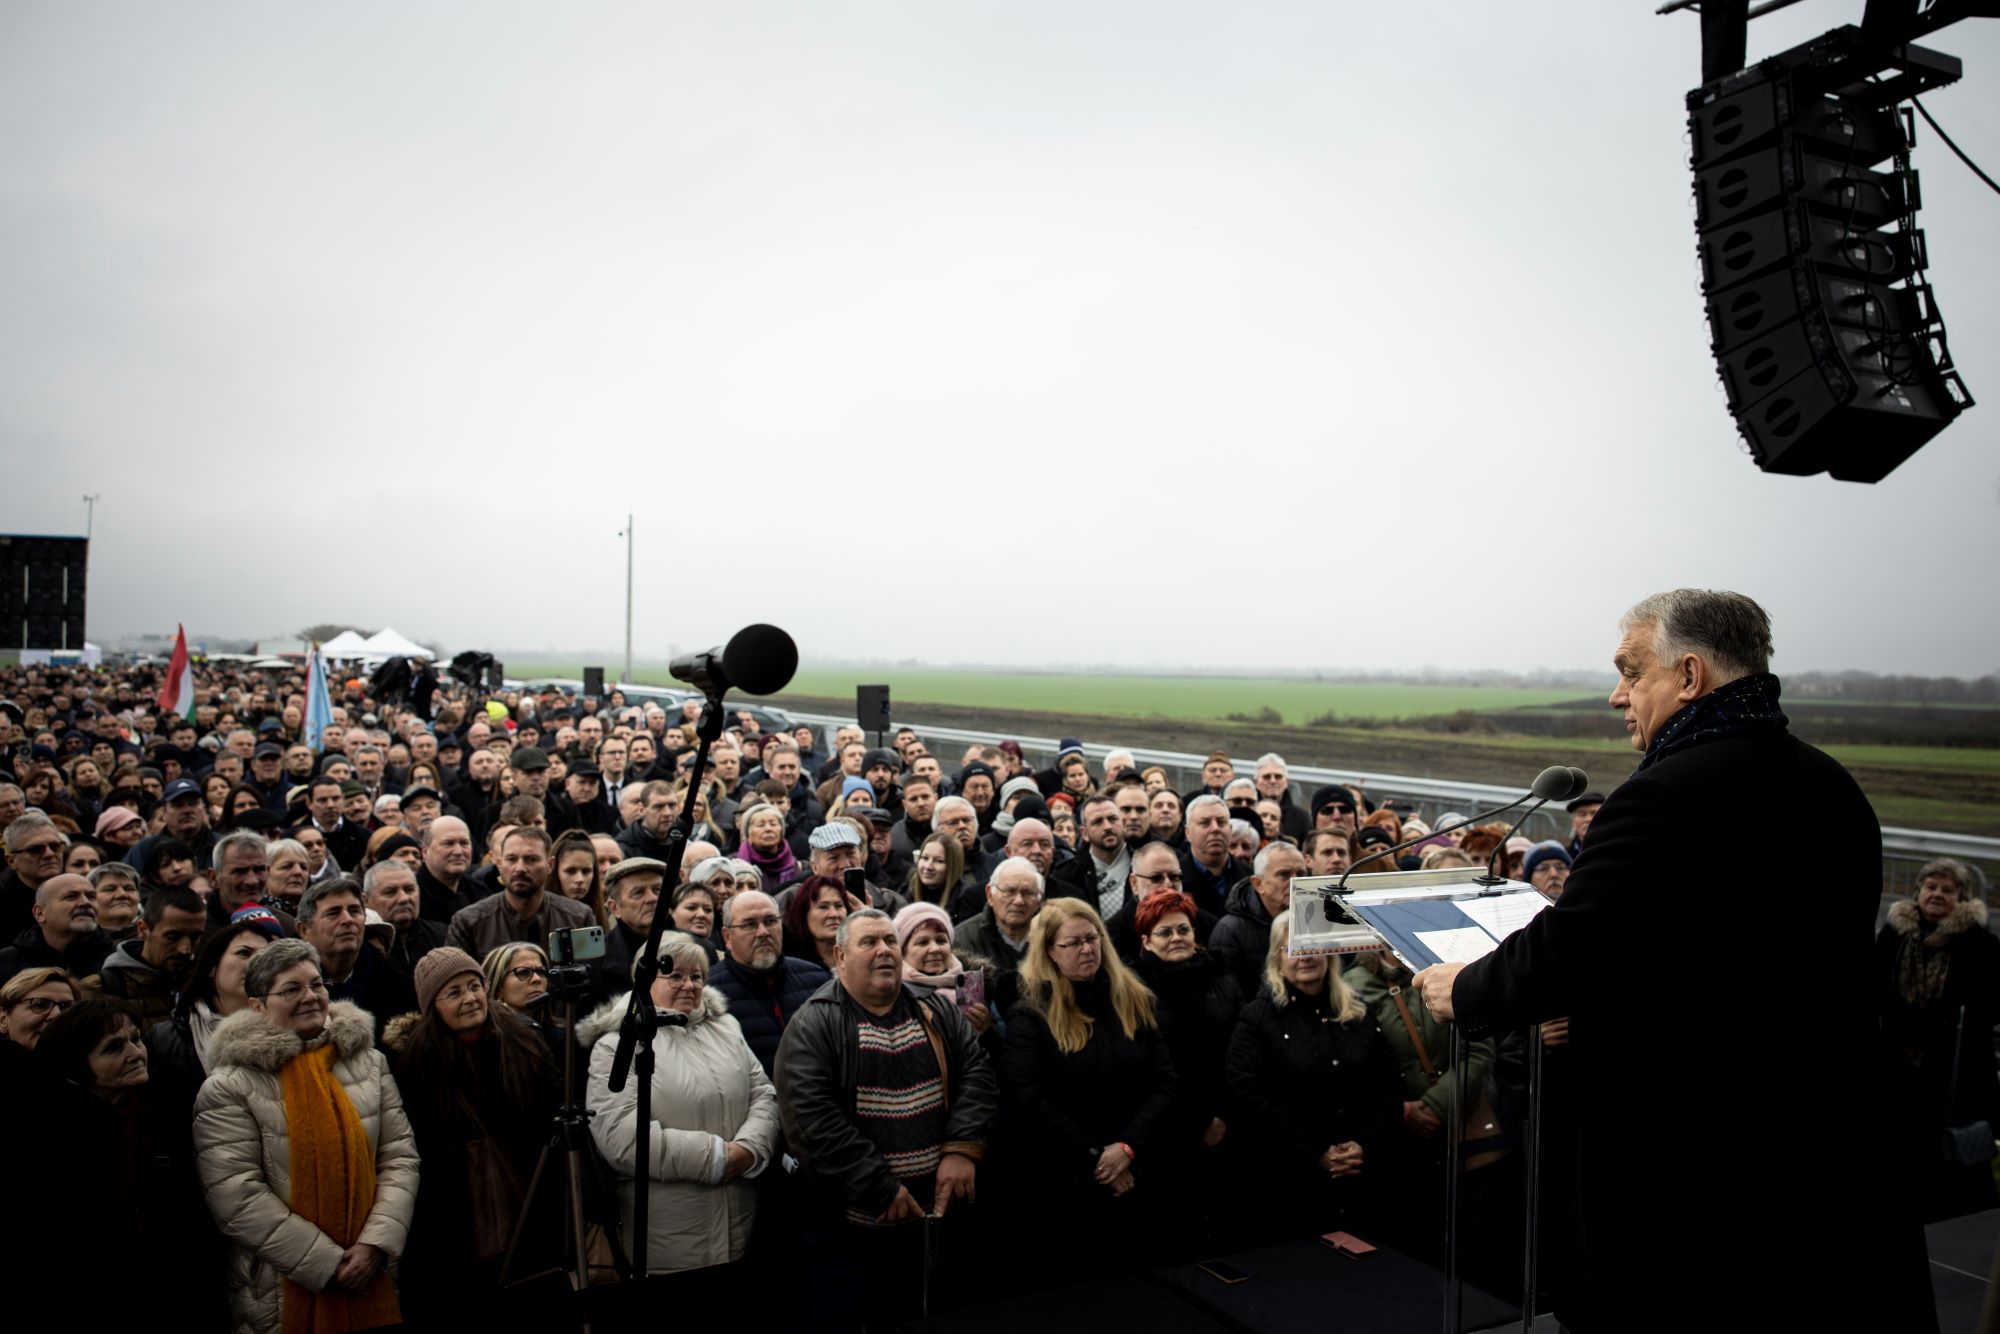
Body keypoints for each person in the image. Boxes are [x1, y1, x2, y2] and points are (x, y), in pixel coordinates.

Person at [1412, 589, 1924, 1331]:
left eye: (1631, 672)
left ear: (1689, 675)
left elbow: (1573, 948)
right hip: (1828, 1146)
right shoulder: (1831, 783)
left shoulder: (1665, 795)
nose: (1617, 695)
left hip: (1693, 1165)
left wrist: (1464, 989)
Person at [774, 908, 996, 1331]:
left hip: (940, 1216)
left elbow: (977, 1072)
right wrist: (878, 1187)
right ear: (840, 956)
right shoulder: (815, 1023)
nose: (884, 950)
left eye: (890, 941)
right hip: (858, 1229)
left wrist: (962, 1149)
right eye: (869, 942)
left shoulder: (935, 1009)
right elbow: (811, 1120)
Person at [193, 938, 420, 1334]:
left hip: (372, 1271)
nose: (311, 997)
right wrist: (327, 1263)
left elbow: (399, 1157)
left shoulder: (368, 1062)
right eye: (291, 990)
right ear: (257, 1006)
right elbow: (235, 1195)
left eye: (316, 985)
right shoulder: (230, 1085)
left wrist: (375, 1245)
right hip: (279, 1288)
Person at [582, 930, 779, 1273]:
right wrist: (717, 1159)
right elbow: (621, 1139)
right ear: (644, 980)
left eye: (697, 976)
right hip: (667, 1242)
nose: (689, 985)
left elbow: (763, 1093)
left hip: (741, 1227)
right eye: (674, 975)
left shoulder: (726, 1027)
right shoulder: (616, 1045)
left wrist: (750, 1148)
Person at [1000, 896, 1176, 1266]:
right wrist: (1098, 1159)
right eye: (1074, 943)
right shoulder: (1031, 1014)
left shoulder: (1133, 998)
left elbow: (1165, 1083)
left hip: (1139, 1161)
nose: (1087, 949)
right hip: (1070, 1177)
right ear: (1050, 951)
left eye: (1092, 939)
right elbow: (1027, 1098)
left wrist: (1127, 1147)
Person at [385, 946, 559, 1319]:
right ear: (432, 1005)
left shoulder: (524, 1041)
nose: (470, 998)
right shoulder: (416, 1062)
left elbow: (550, 1112)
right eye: (454, 992)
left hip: (528, 1200)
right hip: (454, 1219)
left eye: (474, 986)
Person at [1226, 909, 1400, 1243]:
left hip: (1361, 1175)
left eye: (1312, 946)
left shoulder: (1357, 1010)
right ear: (1277, 960)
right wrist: (1315, 1150)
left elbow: (1388, 1085)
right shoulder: (1258, 1018)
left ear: (1329, 954)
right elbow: (1248, 1093)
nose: (1305, 956)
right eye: (1293, 948)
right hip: (1291, 1181)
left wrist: (1364, 1144)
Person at [1877, 857, 2000, 1221]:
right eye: (1931, 887)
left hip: (1953, 1071)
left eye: (1948, 890)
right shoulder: (1894, 935)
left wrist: (1940, 1021)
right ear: (1918, 892)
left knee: (1946, 1161)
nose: (1937, 894)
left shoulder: (1980, 943)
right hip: (1897, 1064)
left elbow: (1991, 1005)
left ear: (1961, 898)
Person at [1131, 887, 1243, 1245]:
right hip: (1165, 1132)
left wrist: (1222, 1114)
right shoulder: (1134, 991)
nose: (1176, 938)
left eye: (1183, 929)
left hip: (1227, 1121)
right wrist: (1196, 1122)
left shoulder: (1221, 978)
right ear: (1147, 942)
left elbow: (1241, 1051)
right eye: (1164, 932)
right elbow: (1145, 1070)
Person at [707, 889, 828, 1077]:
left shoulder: (818, 980)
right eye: (749, 924)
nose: (763, 932)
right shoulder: (709, 993)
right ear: (727, 936)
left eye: (771, 921)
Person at [446, 827, 596, 958]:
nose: (520, 868)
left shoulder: (578, 918)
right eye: (511, 859)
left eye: (531, 859)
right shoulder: (469, 922)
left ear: (550, 865)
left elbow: (591, 976)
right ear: (499, 864)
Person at [98, 884, 206, 1024]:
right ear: (143, 930)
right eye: (173, 936)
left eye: (195, 937)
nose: (185, 949)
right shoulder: (102, 987)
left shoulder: (210, 981)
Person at [1208, 842, 1305, 995]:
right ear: (1258, 884)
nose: (1295, 882)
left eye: (1301, 874)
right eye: (1284, 875)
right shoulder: (1229, 931)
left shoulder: (1315, 919)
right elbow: (1233, 998)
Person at [895, 901, 996, 1040]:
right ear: (903, 951)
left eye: (941, 940)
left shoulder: (973, 984)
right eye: (923, 942)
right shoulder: (891, 992)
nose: (935, 949)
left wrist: (986, 1029)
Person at [0, 872, 114, 987]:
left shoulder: (116, 960)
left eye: (91, 897)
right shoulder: (6, 963)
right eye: (71, 897)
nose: (86, 902)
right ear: (39, 913)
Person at [782, 873, 860, 971]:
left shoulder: (861, 955)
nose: (834, 914)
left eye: (839, 906)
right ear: (803, 913)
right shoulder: (789, 964)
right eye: (823, 907)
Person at [904, 830, 965, 909]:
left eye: (939, 861)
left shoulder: (964, 899)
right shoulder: (908, 890)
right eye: (925, 858)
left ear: (953, 866)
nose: (928, 866)